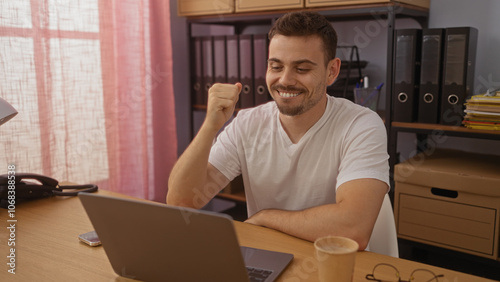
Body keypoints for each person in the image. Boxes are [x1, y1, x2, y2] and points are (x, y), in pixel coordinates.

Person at [167, 11, 389, 250]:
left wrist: (267, 218)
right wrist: (210, 125)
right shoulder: (247, 123)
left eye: (302, 69)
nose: (285, 80)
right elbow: (182, 201)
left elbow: (353, 229)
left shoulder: (362, 125)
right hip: (269, 254)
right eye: (276, 66)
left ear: (332, 71)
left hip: (334, 261)